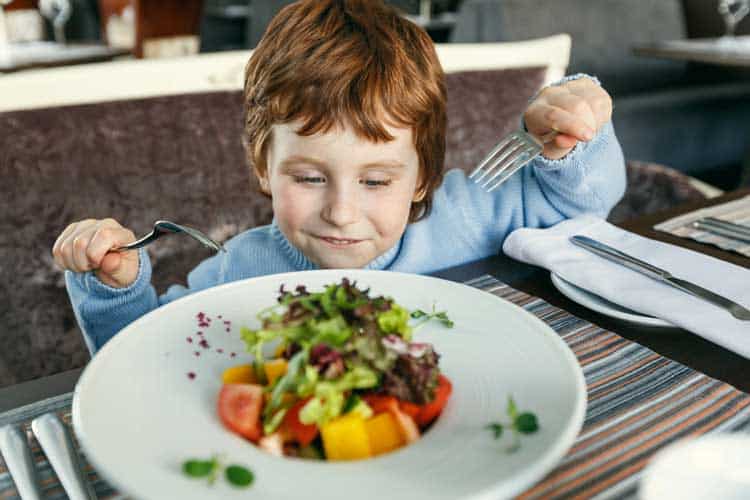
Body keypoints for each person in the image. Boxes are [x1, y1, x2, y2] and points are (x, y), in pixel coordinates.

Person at [53, 0, 626, 352]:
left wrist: (576, 138)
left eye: (377, 181)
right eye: (308, 177)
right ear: (264, 167)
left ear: (423, 175)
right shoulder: (236, 272)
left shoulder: (470, 213)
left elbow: (581, 212)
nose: (342, 212)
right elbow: (145, 357)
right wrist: (113, 288)